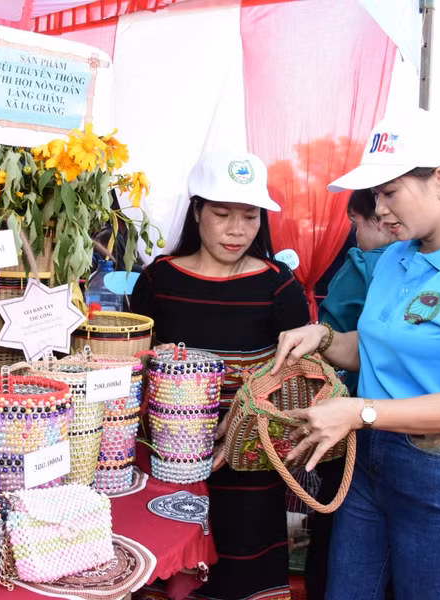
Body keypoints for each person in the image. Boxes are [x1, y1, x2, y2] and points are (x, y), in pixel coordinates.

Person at [273, 108, 440, 600]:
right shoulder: (397, 256)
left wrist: (360, 411)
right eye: (376, 195)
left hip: (439, 468)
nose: (380, 210)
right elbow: (374, 351)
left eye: (389, 192)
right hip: (369, 455)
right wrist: (325, 339)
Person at [131, 150, 310, 600]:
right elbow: (129, 367)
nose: (236, 230)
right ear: (197, 211)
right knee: (168, 569)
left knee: (241, 573)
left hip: (249, 463)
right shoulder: (159, 280)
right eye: (222, 214)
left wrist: (241, 436)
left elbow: (294, 378)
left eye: (250, 216)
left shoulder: (278, 284)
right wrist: (158, 365)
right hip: (167, 462)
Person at [305, 188, 395, 600]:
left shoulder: (362, 265)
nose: (355, 234)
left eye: (356, 223)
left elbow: (337, 340)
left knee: (335, 529)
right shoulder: (418, 267)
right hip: (399, 429)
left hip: (351, 420)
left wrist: (321, 336)